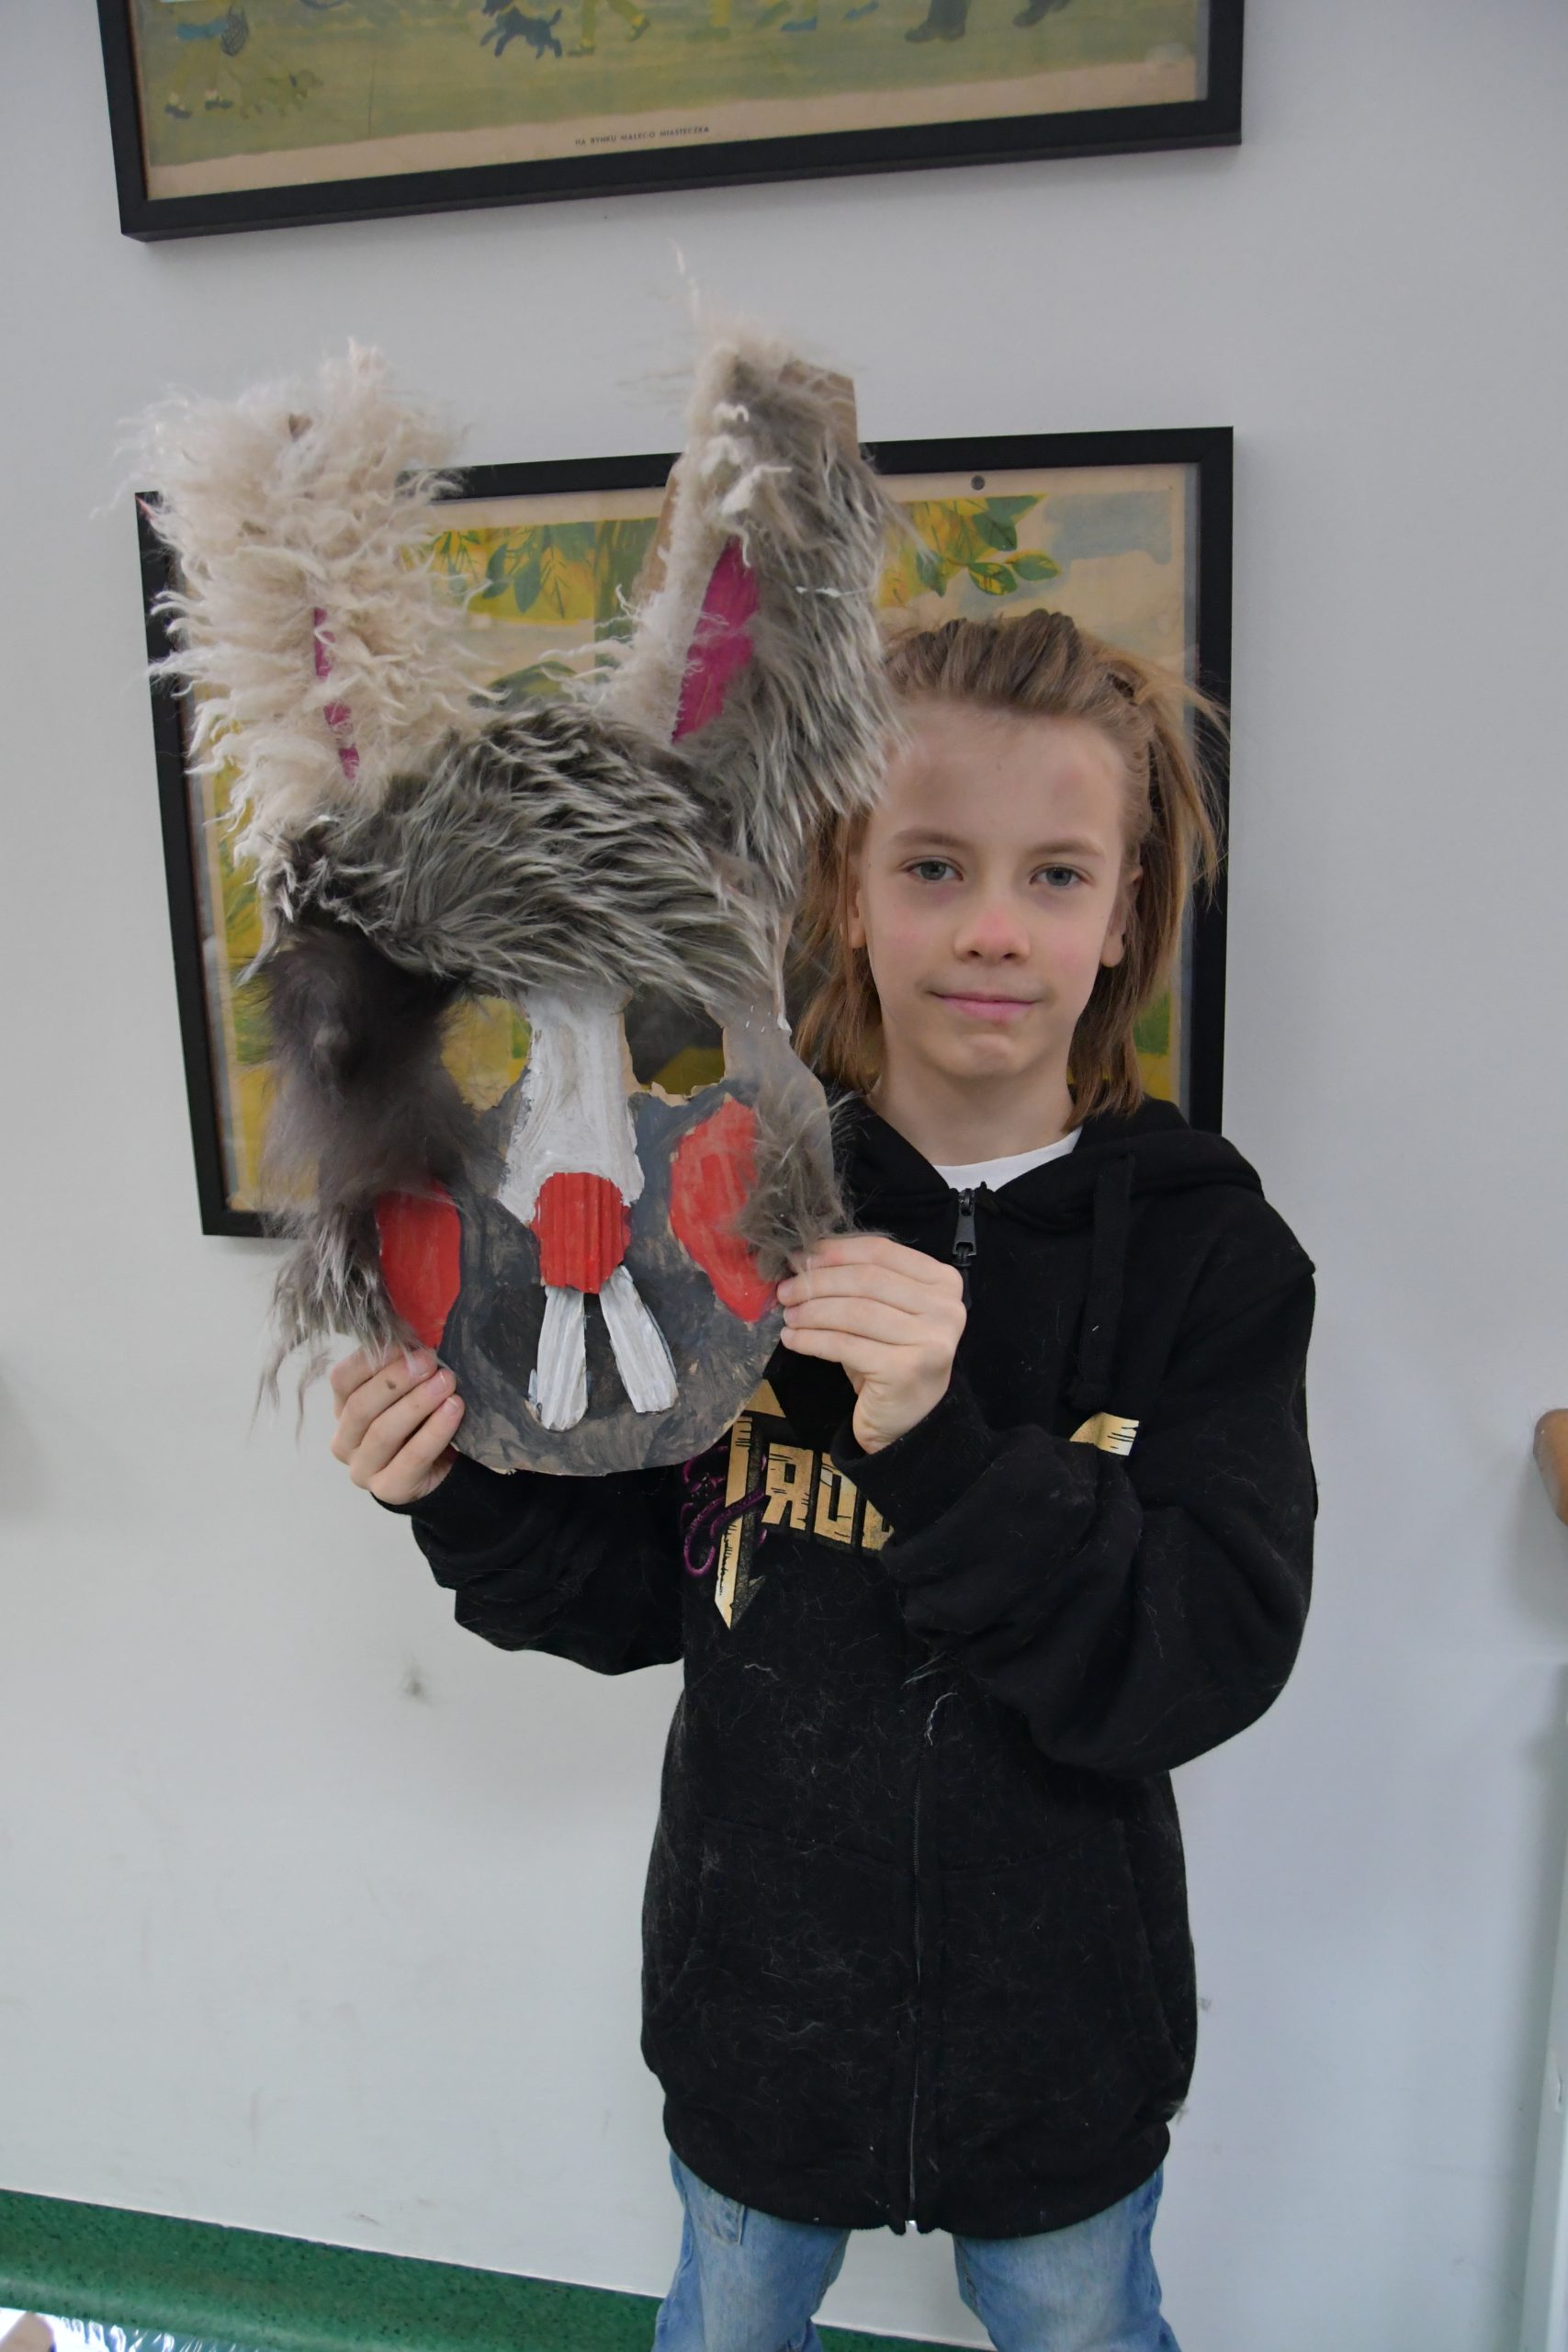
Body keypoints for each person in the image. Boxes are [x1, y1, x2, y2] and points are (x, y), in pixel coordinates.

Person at [329, 606, 1318, 2351]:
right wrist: (455, 1488)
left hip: (1063, 2047)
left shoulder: (1213, 1260)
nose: (994, 927)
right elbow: (634, 1594)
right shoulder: (721, 1202)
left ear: (1124, 914)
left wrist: (942, 1444)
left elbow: (1204, 1656)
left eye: (1056, 876)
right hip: (757, 2024)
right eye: (933, 866)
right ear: (848, 890)